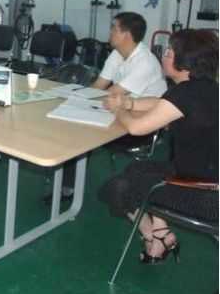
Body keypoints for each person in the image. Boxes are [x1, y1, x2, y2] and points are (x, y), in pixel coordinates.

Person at [99, 29, 218, 263]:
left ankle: (154, 236)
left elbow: (136, 128)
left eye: (169, 52)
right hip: (203, 178)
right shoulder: (206, 88)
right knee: (137, 170)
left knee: (116, 188)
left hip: (203, 196)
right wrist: (129, 102)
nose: (164, 56)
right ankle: (161, 234)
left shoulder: (186, 93)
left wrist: (119, 109)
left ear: (185, 62)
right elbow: (163, 102)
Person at [52, 12, 168, 203]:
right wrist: (75, 97)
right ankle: (67, 180)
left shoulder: (145, 62)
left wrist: (79, 102)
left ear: (127, 35)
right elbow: (100, 85)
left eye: (114, 28)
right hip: (119, 110)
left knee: (81, 129)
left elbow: (113, 93)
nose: (110, 32)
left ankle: (68, 187)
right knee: (73, 122)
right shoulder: (117, 54)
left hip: (142, 121)